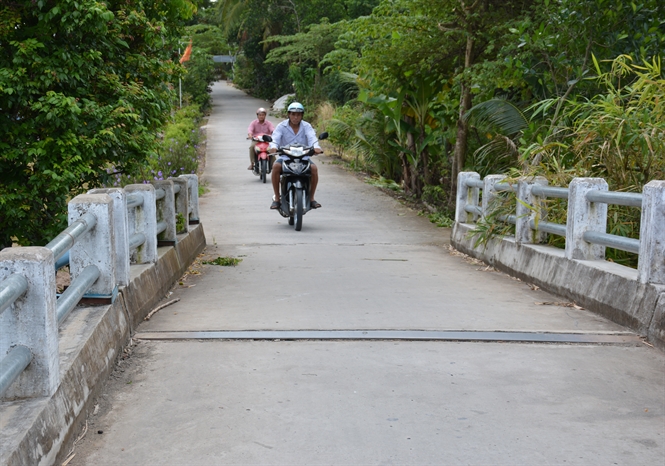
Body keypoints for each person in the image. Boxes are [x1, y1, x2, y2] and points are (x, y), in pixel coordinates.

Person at [269, 102, 323, 209]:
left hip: (303, 157)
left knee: (314, 168)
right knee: (276, 166)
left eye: (298, 114)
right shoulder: (281, 126)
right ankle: (277, 198)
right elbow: (275, 138)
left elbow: (312, 138)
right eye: (293, 114)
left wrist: (316, 147)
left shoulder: (307, 126)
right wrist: (273, 146)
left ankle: (311, 198)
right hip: (286, 157)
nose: (295, 117)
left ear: (302, 115)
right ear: (288, 114)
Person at [247, 107, 275, 173]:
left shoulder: (269, 123)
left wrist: (274, 134)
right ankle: (252, 163)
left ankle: (273, 163)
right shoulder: (253, 123)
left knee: (272, 148)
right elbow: (250, 130)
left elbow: (272, 130)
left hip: (266, 139)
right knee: (251, 147)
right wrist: (250, 135)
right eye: (260, 115)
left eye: (263, 115)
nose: (261, 116)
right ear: (257, 116)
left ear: (265, 115)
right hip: (256, 139)